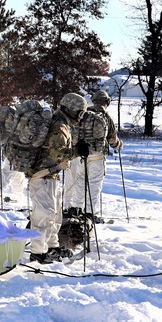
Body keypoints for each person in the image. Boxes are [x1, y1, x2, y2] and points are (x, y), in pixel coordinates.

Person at [27, 92, 85, 264]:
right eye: (79, 113)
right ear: (70, 110)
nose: (80, 117)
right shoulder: (59, 126)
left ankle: (52, 247)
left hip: (50, 175)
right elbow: (57, 153)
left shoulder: (61, 124)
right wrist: (77, 151)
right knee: (43, 215)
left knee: (54, 214)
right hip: (42, 176)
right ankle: (38, 252)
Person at [62, 90, 123, 220]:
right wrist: (119, 145)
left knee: (80, 183)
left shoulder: (82, 114)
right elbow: (112, 139)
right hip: (97, 156)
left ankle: (77, 209)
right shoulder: (105, 117)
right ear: (107, 102)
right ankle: (90, 213)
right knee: (94, 184)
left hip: (80, 155)